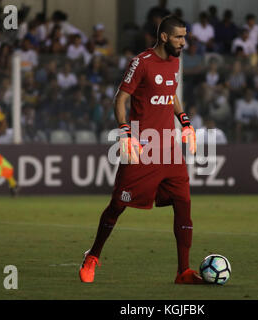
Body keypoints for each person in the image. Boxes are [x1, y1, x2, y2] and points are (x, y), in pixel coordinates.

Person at [79, 15, 204, 284]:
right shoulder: (141, 63)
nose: (184, 42)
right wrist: (125, 131)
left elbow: (170, 93)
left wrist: (184, 121)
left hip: (169, 149)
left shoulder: (175, 61)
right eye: (179, 37)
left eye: (185, 36)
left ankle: (183, 271)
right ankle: (93, 255)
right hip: (143, 147)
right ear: (164, 37)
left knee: (183, 204)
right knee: (118, 204)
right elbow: (120, 99)